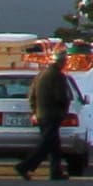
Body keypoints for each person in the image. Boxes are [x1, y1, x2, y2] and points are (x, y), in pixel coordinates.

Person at [21, 48, 76, 178]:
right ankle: (24, 166)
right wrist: (64, 110)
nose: (65, 63)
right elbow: (61, 97)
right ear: (61, 62)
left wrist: (34, 111)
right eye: (65, 61)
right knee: (46, 144)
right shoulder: (58, 76)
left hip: (41, 114)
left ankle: (55, 171)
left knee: (54, 145)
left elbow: (31, 95)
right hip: (53, 115)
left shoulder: (41, 75)